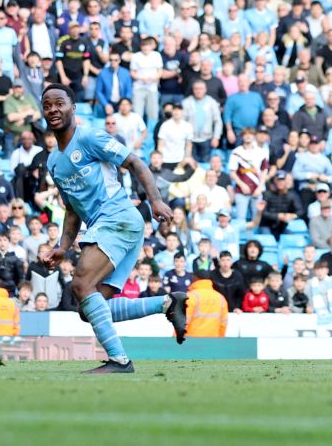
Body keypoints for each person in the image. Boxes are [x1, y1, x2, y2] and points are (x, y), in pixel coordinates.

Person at [39, 84, 188, 373]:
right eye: (48, 105)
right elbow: (71, 209)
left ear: (73, 107)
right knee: (89, 308)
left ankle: (120, 361)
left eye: (60, 103)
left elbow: (134, 162)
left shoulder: (90, 137)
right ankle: (168, 303)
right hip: (109, 227)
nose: (54, 109)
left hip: (117, 218)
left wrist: (155, 200)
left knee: (81, 284)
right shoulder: (54, 162)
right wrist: (62, 247)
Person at [184, 268, 228, 337]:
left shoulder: (190, 297)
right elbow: (223, 323)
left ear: (195, 278)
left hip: (192, 341)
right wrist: (220, 340)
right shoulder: (220, 298)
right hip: (213, 341)